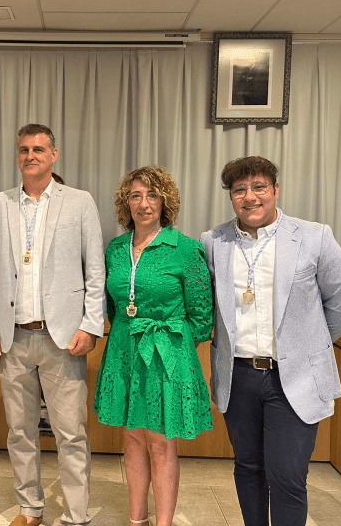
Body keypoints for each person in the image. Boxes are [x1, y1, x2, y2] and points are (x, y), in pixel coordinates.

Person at [200, 156, 341, 526]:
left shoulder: (314, 237)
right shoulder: (213, 242)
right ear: (231, 196)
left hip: (295, 377)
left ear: (275, 190)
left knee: (287, 475)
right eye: (239, 190)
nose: (250, 197)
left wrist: (308, 347)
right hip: (239, 375)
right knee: (248, 467)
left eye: (259, 187)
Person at [0, 124, 105, 526]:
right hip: (12, 337)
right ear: (18, 155)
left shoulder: (79, 202)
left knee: (71, 434)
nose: (30, 155)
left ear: (53, 155)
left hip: (63, 338)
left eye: (39, 149)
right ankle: (29, 508)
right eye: (24, 149)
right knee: (20, 432)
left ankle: (76, 514)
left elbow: (95, 270)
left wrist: (91, 325)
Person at [94, 166, 213, 526]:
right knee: (132, 438)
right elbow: (113, 308)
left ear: (165, 202)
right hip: (125, 351)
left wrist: (168, 345)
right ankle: (137, 520)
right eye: (136, 195)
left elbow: (202, 316)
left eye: (152, 195)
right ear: (126, 203)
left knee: (160, 443)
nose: (144, 203)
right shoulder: (115, 249)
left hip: (167, 355)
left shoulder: (185, 249)